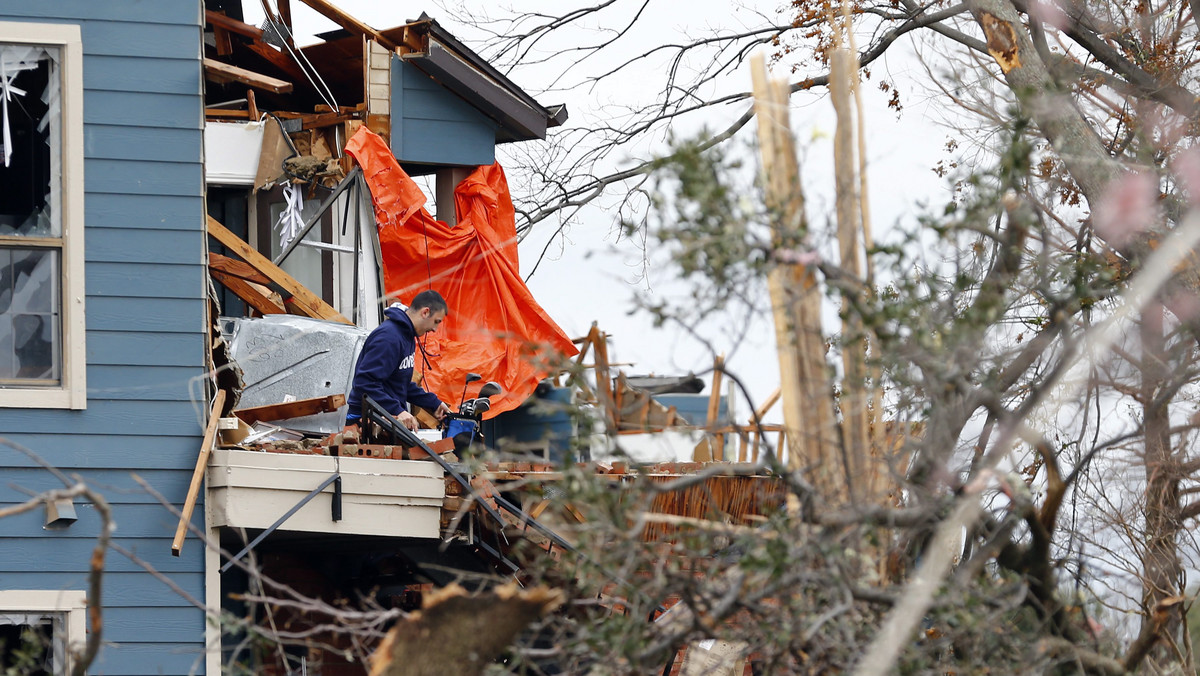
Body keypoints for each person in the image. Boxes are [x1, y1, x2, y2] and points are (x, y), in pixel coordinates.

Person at [346, 289, 452, 430]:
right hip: (365, 424)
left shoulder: (407, 337)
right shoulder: (389, 337)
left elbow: (401, 384)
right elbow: (364, 383)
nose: (435, 329)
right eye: (436, 322)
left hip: (384, 421)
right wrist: (397, 410)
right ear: (425, 312)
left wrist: (434, 403)